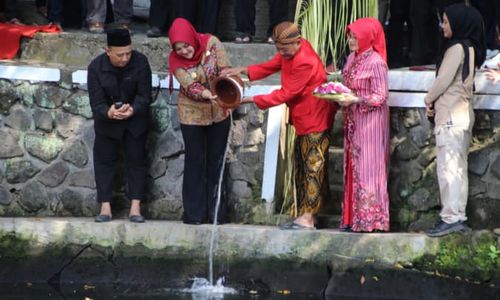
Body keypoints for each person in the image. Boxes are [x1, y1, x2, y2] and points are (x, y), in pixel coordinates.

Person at [222, 21, 338, 230]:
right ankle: (309, 213)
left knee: (312, 167)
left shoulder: (305, 61)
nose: (280, 53)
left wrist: (251, 99)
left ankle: (308, 218)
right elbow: (272, 65)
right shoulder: (291, 51)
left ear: (297, 42)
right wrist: (244, 70)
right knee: (303, 167)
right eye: (278, 49)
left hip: (315, 117)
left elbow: (286, 94)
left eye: (284, 49)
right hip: (304, 117)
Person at [424, 3, 486, 237]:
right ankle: (457, 216)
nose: (442, 26)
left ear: (459, 23)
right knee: (458, 168)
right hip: (460, 116)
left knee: (448, 169)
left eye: (446, 21)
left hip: (451, 117)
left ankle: (450, 218)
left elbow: (442, 81)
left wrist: (428, 99)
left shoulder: (457, 48)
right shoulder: (470, 48)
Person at [168, 18, 231, 225]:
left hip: (218, 108)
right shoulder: (175, 62)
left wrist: (226, 93)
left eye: (186, 46)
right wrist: (206, 92)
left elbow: (224, 70)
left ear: (192, 39)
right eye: (179, 49)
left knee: (217, 159)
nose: (185, 52)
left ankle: (217, 214)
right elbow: (189, 85)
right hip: (191, 111)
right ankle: (194, 214)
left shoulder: (212, 43)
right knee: (195, 160)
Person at [87, 28, 152, 223]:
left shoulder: (140, 62)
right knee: (104, 161)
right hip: (108, 121)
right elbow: (96, 102)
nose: (125, 58)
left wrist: (133, 109)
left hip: (135, 120)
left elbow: (145, 95)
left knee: (137, 161)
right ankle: (105, 206)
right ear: (108, 51)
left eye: (128, 53)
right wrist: (108, 112)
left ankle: (135, 207)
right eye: (120, 54)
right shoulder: (96, 67)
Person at [337, 17, 390, 233]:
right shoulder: (351, 58)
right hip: (353, 120)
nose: (351, 39)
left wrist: (356, 99)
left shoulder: (376, 62)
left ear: (367, 37)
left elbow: (380, 96)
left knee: (368, 168)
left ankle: (371, 220)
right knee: (352, 166)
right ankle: (352, 218)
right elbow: (347, 83)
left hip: (371, 123)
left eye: (355, 36)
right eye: (350, 35)